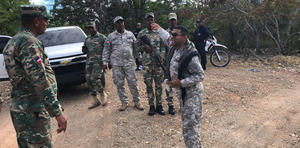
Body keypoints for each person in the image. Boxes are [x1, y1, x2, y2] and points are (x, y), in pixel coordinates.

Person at [3, 5, 67, 147]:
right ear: (36, 21)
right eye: (45, 20)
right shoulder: (28, 42)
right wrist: (57, 112)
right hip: (33, 111)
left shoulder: (12, 42)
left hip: (22, 109)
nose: (47, 23)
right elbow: (39, 80)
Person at [152, 23, 205, 147]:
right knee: (186, 128)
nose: (172, 37)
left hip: (192, 96)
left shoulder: (190, 54)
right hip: (183, 95)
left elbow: (200, 75)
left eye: (175, 35)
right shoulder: (175, 46)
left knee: (191, 129)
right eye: (172, 34)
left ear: (184, 37)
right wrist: (159, 29)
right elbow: (166, 37)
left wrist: (180, 83)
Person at [102, 16, 144, 111]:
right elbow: (106, 49)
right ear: (115, 25)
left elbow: (136, 48)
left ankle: (137, 101)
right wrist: (105, 61)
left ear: (123, 23)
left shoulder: (130, 34)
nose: (120, 24)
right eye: (118, 22)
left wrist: (139, 59)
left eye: (121, 22)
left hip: (129, 63)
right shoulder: (110, 37)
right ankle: (124, 102)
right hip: (116, 64)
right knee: (119, 84)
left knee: (133, 83)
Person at [137, 12, 166, 116]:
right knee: (149, 85)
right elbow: (136, 48)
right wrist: (144, 48)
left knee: (158, 85)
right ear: (146, 21)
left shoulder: (159, 32)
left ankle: (159, 105)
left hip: (158, 63)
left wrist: (162, 56)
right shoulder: (142, 33)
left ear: (154, 20)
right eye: (148, 20)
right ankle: (151, 106)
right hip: (147, 64)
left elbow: (163, 46)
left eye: (152, 19)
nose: (150, 21)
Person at [82, 21, 108, 109]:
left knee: (94, 78)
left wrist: (106, 61)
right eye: (89, 28)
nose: (90, 29)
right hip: (89, 61)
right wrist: (84, 50)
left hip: (98, 61)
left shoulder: (102, 37)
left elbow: (107, 49)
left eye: (92, 27)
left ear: (95, 27)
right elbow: (85, 50)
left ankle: (102, 94)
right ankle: (95, 99)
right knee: (88, 79)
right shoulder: (87, 39)